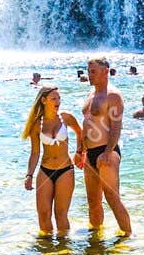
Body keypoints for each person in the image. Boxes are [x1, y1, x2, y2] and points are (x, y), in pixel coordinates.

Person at [79, 57, 132, 234]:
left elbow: (116, 126)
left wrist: (108, 151)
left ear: (105, 72)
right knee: (93, 201)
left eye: (93, 71)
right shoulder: (90, 95)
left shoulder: (113, 95)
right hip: (89, 153)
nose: (90, 75)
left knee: (112, 197)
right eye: (88, 71)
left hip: (106, 150)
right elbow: (86, 124)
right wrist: (80, 149)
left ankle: (128, 236)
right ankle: (96, 238)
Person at [22, 86, 82, 235]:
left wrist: (79, 152)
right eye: (53, 99)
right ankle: (47, 251)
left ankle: (63, 250)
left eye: (59, 98)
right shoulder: (37, 124)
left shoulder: (66, 117)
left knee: (61, 214)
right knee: (43, 215)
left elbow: (81, 133)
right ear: (44, 100)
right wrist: (29, 175)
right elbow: (35, 152)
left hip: (65, 170)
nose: (58, 101)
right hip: (45, 170)